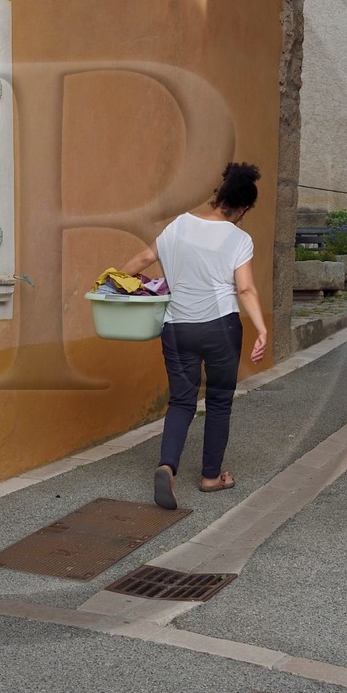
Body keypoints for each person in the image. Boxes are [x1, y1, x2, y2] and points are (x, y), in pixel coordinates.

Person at [119, 162, 269, 510]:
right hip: (220, 328)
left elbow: (143, 258)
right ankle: (210, 476)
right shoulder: (239, 239)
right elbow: (245, 289)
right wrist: (261, 328)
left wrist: (110, 281)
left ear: (218, 196)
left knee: (182, 401)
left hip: (177, 328)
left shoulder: (180, 225)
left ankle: (166, 465)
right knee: (218, 401)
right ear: (244, 208)